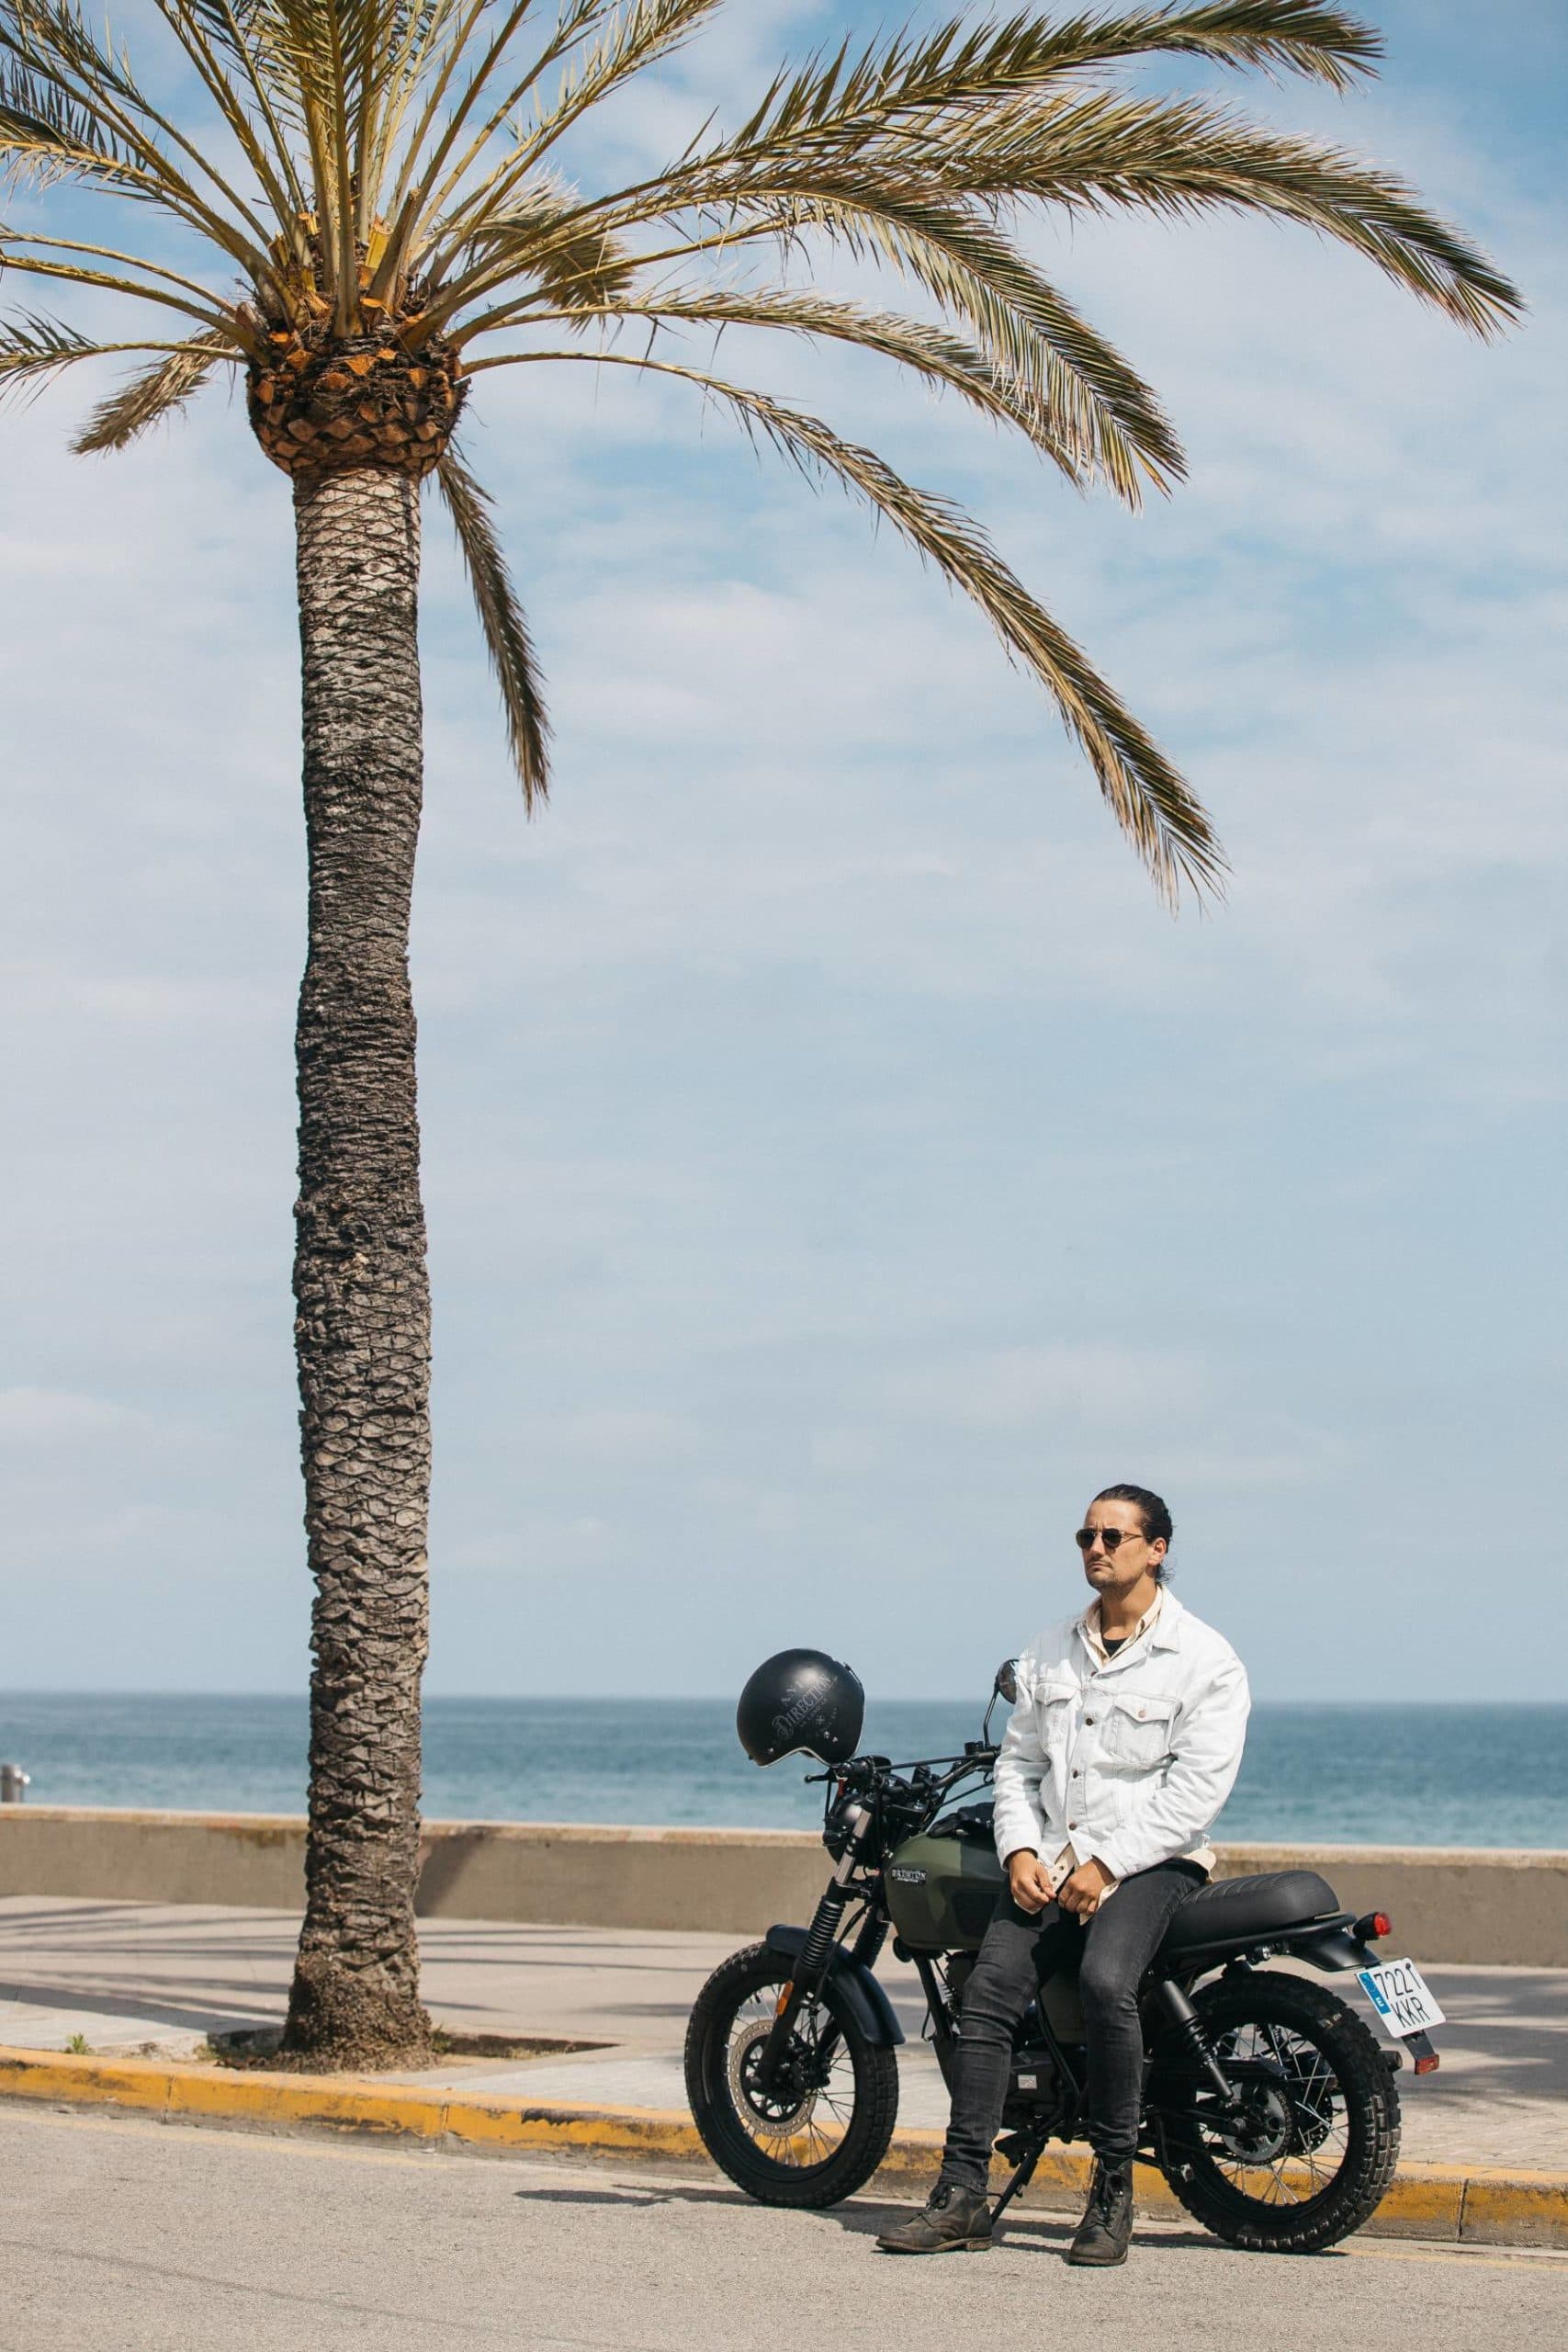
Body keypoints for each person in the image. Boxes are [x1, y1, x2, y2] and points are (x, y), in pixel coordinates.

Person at [877, 1482, 1249, 2265]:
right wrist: (1019, 1850)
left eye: (1113, 1536)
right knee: (985, 1997)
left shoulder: (1204, 1658)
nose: (1096, 1549)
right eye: (1086, 1536)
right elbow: (1017, 1765)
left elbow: (1196, 1791)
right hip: (1049, 1863)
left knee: (1107, 1984)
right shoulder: (1048, 1650)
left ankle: (1112, 2192)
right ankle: (961, 2195)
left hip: (1152, 1864)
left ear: (1156, 1549)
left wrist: (1106, 1863)